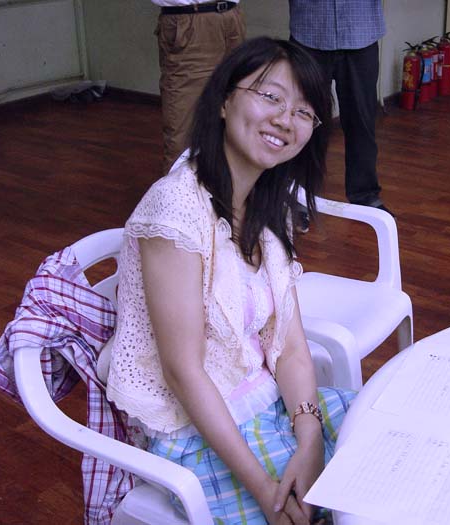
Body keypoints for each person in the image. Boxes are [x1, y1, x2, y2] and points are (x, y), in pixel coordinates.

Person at [106, 37, 355, 525]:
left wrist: (309, 439)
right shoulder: (177, 209)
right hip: (198, 434)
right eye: (271, 97)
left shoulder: (268, 208)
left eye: (304, 112)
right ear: (224, 100)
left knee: (389, 446)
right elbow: (183, 372)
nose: (285, 119)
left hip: (271, 406)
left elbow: (291, 347)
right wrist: (265, 490)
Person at [288, 0, 392, 228]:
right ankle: (300, 196)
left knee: (361, 121)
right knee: (303, 121)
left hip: (361, 33)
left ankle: (365, 195)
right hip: (310, 30)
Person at [152, 0, 246, 174]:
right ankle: (178, 192)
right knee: (183, 136)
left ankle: (222, 190)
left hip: (231, 17)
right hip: (189, 19)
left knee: (236, 125)